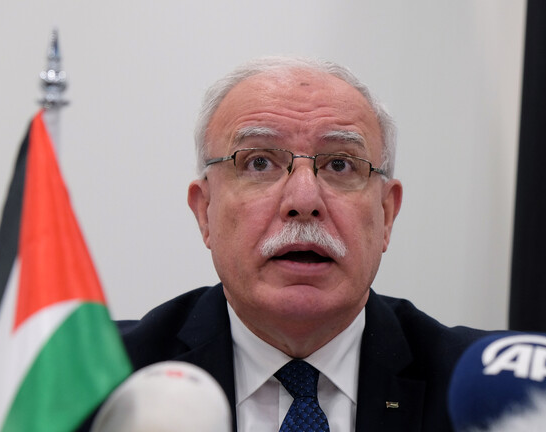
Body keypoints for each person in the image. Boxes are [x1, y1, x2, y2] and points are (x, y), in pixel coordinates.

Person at [115, 56, 488, 432]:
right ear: (205, 211)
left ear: (386, 214)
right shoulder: (102, 382)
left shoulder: (490, 393)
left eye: (340, 164)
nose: (304, 200)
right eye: (259, 163)